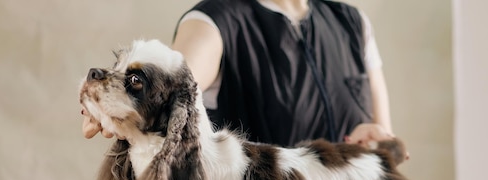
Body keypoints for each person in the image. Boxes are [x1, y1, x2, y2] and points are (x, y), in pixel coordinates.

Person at [82, 0, 395, 149]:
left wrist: (377, 145)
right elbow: (177, 80)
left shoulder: (353, 24)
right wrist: (119, 93)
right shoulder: (213, 21)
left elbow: (385, 139)